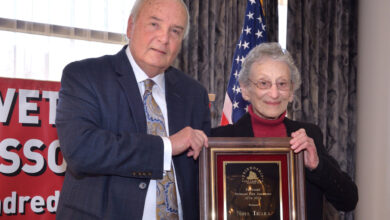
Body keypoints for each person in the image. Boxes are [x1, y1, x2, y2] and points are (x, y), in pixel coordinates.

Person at [55, 0, 210, 219]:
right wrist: (167, 146)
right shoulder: (85, 76)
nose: (164, 38)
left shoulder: (194, 94)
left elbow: (204, 173)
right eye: (154, 24)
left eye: (175, 31)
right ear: (130, 26)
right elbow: (81, 150)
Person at [211, 42, 358, 219]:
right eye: (263, 83)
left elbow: (348, 200)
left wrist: (317, 166)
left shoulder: (308, 135)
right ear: (245, 89)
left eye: (282, 84)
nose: (274, 94)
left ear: (291, 92)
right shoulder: (219, 140)